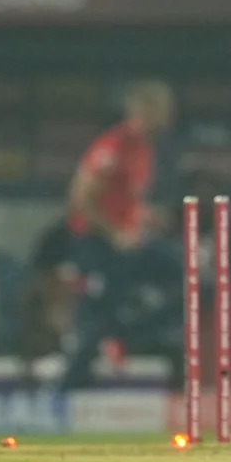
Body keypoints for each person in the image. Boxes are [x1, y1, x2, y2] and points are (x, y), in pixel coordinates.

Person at [60, 80, 175, 389]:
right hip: (96, 244)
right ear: (144, 110)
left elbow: (126, 199)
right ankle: (63, 393)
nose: (169, 116)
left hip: (125, 243)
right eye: (163, 109)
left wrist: (145, 219)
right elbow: (81, 199)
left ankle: (124, 329)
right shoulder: (115, 145)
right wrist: (114, 234)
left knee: (186, 273)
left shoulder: (145, 150)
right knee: (92, 324)